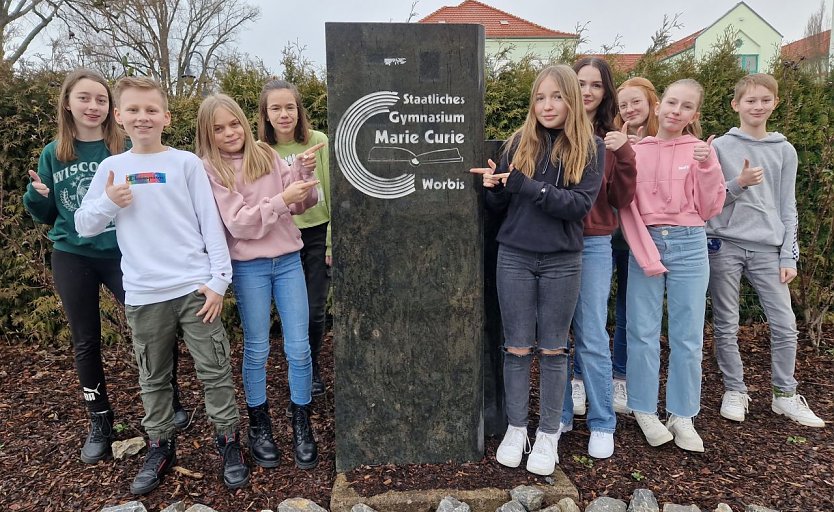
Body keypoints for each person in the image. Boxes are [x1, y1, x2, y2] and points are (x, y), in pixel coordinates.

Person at [75, 76, 248, 494]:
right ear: (119, 117)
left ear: (166, 117)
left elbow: (211, 224)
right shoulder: (111, 169)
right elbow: (83, 225)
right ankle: (160, 445)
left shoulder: (185, 163)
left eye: (151, 109)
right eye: (133, 110)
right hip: (144, 294)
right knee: (153, 378)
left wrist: (219, 282)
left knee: (215, 371)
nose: (143, 117)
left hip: (194, 289)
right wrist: (107, 203)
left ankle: (228, 442)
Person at [22, 69, 188, 466]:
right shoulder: (53, 152)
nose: (92, 106)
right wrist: (36, 195)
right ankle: (100, 420)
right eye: (84, 98)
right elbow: (46, 215)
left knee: (156, 327)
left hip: (121, 253)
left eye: (100, 99)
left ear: (112, 109)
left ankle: (170, 399)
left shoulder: (126, 146)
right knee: (85, 340)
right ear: (68, 104)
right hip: (72, 253)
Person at [471, 64, 604, 475]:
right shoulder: (517, 143)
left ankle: (547, 435)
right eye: (541, 97)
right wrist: (493, 189)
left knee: (552, 349)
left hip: (562, 260)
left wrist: (525, 185)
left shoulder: (592, 148)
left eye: (557, 97)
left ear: (572, 101)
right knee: (515, 347)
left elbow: (578, 206)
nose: (548, 106)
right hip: (514, 255)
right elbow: (505, 207)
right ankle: (516, 428)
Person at [196, 93, 323, 470]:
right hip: (248, 267)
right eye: (218, 128)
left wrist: (302, 175)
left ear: (245, 123)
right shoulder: (210, 169)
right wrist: (283, 199)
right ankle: (260, 425)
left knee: (299, 348)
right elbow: (240, 223)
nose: (230, 132)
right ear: (208, 134)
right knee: (257, 349)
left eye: (234, 123)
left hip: (287, 262)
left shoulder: (266, 154)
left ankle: (302, 423)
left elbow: (305, 203)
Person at [706, 73, 824, 428]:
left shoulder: (784, 150)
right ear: (736, 105)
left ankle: (784, 394)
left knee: (785, 324)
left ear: (775, 103)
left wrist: (790, 255)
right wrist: (738, 184)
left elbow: (788, 206)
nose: (757, 106)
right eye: (750, 100)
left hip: (768, 250)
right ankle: (735, 389)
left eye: (764, 100)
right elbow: (710, 200)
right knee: (727, 324)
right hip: (724, 244)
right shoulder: (720, 147)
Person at [619, 78, 725, 453]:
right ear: (659, 104)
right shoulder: (637, 149)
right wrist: (644, 250)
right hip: (646, 241)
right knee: (642, 331)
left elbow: (711, 207)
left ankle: (682, 414)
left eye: (686, 107)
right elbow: (625, 205)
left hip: (690, 243)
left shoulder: (700, 151)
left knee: (687, 336)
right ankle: (645, 409)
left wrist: (710, 166)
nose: (676, 111)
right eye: (671, 103)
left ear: (694, 114)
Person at [560, 57, 637, 460]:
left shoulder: (612, 139)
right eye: (580, 83)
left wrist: (624, 155)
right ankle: (557, 417)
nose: (587, 91)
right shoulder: (551, 129)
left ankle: (603, 421)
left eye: (595, 85)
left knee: (591, 333)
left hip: (592, 243)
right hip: (553, 244)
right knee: (554, 336)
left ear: (606, 92)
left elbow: (622, 200)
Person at [258, 80, 332, 399]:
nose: (284, 114)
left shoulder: (317, 141)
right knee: (292, 312)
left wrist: (330, 241)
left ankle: (312, 366)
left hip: (316, 234)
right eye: (276, 108)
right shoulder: (260, 150)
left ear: (299, 110)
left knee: (315, 309)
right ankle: (296, 367)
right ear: (266, 115)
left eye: (290, 107)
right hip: (281, 237)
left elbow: (329, 190)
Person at [600, 77, 662, 416]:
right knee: (596, 309)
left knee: (629, 311)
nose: (629, 109)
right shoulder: (611, 140)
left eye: (635, 102)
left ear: (652, 103)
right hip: (610, 235)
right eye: (623, 104)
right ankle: (586, 377)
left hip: (642, 239)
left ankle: (621, 375)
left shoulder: (663, 141)